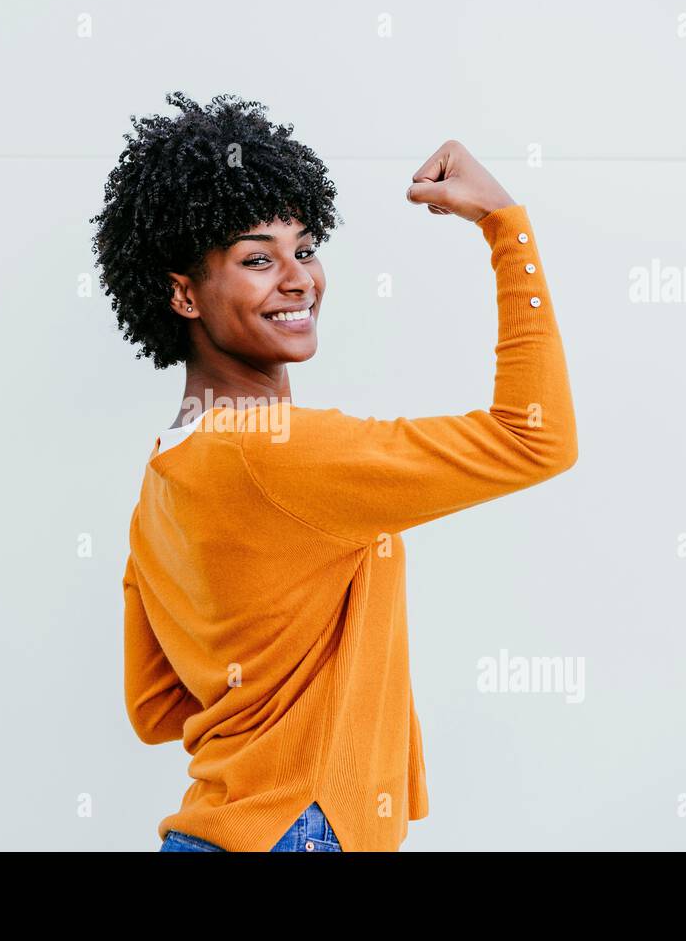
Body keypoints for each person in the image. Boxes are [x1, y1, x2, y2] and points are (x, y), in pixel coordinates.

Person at [91, 92, 578, 851]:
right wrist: (504, 225)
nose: (298, 279)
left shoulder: (165, 473)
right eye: (257, 258)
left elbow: (156, 708)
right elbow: (535, 438)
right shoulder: (278, 451)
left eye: (306, 249)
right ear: (183, 292)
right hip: (299, 833)